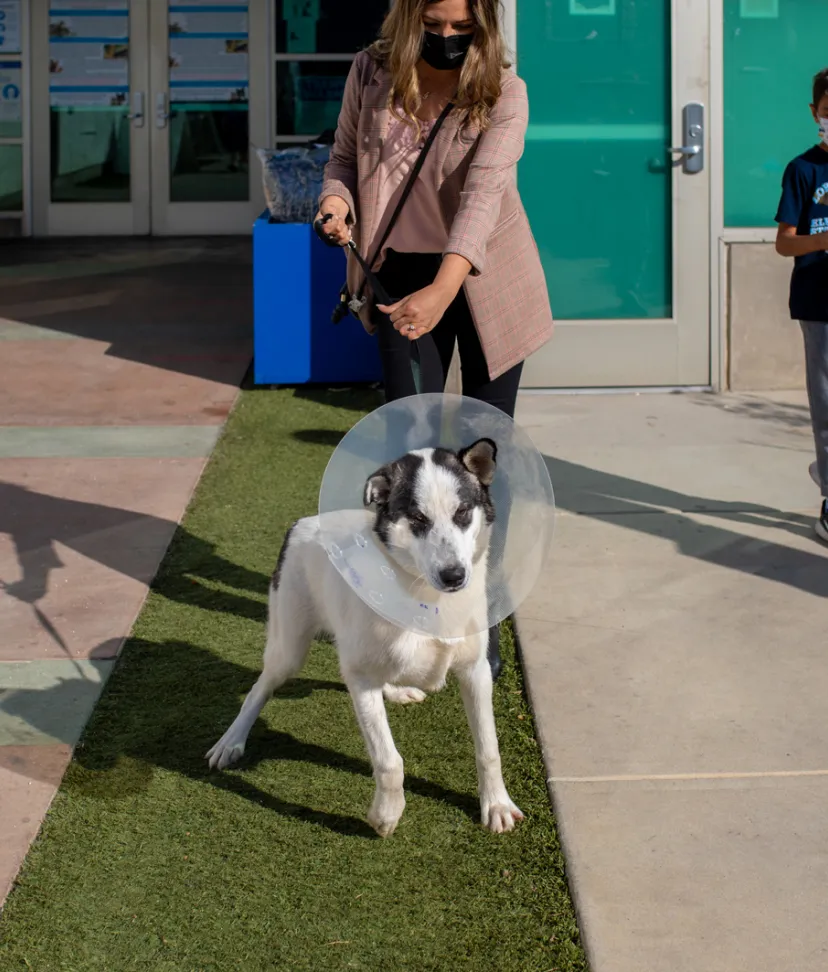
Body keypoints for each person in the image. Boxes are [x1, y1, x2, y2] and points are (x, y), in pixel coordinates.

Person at [314, 0, 554, 678]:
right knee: (407, 457)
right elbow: (340, 161)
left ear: (482, 26)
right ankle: (408, 604)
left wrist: (443, 289)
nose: (446, 39)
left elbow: (483, 196)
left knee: (484, 459)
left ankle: (480, 611)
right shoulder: (370, 72)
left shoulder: (504, 92)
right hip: (397, 274)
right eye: (434, 26)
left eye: (462, 29)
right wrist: (336, 203)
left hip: (481, 276)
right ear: (408, 16)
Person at [775, 67, 828, 544]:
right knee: (827, 403)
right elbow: (785, 244)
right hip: (819, 302)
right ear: (816, 113)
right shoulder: (803, 170)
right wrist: (824, 239)